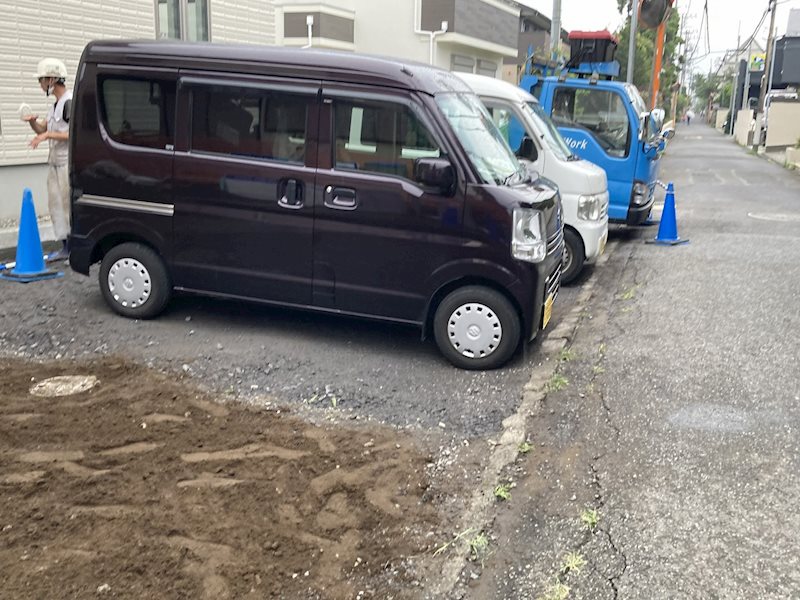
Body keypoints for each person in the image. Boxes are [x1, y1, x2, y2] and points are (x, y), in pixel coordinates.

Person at [24, 58, 72, 260]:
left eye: (42, 79)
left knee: (68, 206)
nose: (40, 84)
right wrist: (33, 123)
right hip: (54, 163)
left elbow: (72, 134)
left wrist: (46, 135)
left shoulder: (68, 102)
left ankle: (73, 248)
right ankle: (65, 247)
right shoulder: (54, 106)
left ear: (52, 79)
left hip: (67, 163)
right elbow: (43, 128)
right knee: (56, 206)